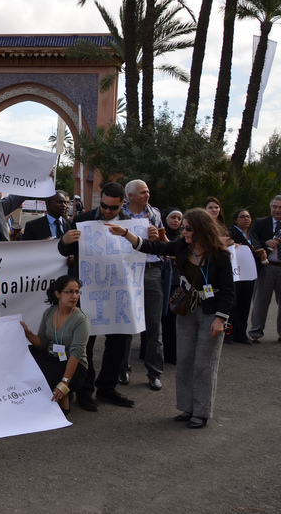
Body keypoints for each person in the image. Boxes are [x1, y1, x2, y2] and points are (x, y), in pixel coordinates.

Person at [108, 208, 234, 429]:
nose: (183, 231)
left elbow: (228, 290)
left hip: (210, 314)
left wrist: (220, 319)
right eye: (183, 227)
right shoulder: (182, 246)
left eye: (188, 228)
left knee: (204, 363)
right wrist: (125, 232)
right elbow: (151, 247)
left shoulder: (220, 255)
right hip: (186, 311)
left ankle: (202, 411)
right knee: (184, 359)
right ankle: (187, 407)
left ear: (201, 229)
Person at [56, 181, 134, 411]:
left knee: (118, 340)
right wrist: (65, 242)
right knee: (86, 342)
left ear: (122, 204)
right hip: (89, 291)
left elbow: (140, 250)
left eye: (113, 208)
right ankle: (85, 390)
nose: (108, 212)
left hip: (118, 291)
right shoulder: (83, 219)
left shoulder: (131, 224)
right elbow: (64, 251)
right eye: (104, 207)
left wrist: (149, 237)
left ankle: (108, 387)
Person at [118, 179, 166, 391]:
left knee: (154, 325)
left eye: (148, 191)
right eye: (143, 192)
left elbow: (165, 244)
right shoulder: (120, 215)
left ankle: (154, 373)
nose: (147, 195)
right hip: (128, 272)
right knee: (126, 323)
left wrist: (158, 237)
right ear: (130, 196)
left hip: (152, 272)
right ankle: (122, 370)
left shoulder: (155, 214)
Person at [20, 275, 90, 414]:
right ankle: (57, 394)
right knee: (24, 357)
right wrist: (28, 333)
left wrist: (64, 383)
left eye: (77, 292)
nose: (74, 296)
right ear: (58, 293)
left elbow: (76, 355)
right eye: (69, 292)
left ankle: (63, 396)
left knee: (41, 375)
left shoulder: (81, 320)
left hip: (73, 366)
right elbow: (42, 344)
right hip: (52, 357)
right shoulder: (50, 312)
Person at [227, 209, 265, 345]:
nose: (246, 219)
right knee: (233, 304)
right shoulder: (231, 232)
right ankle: (229, 334)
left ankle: (241, 334)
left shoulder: (252, 234)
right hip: (235, 273)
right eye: (242, 217)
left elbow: (259, 247)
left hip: (249, 273)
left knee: (245, 303)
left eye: (248, 217)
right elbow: (225, 244)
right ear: (236, 220)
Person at [249, 195, 281, 344]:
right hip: (267, 266)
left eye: (280, 207)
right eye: (275, 207)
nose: (277, 210)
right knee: (261, 300)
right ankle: (256, 332)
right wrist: (264, 242)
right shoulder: (261, 223)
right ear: (271, 207)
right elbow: (252, 240)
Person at [160, 208, 184, 365]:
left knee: (174, 318)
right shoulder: (160, 235)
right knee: (162, 317)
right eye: (173, 217)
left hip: (178, 283)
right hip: (162, 281)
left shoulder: (183, 236)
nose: (176, 221)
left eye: (179, 218)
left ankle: (172, 355)